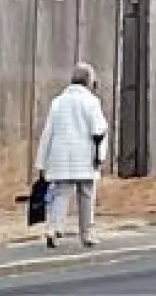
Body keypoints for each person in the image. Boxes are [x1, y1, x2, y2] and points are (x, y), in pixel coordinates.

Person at [35, 61, 109, 249]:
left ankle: (54, 229)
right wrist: (100, 156)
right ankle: (87, 234)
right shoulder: (92, 102)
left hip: (60, 157)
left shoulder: (58, 102)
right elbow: (99, 130)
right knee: (86, 195)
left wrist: (42, 162)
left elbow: (48, 133)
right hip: (84, 157)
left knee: (61, 194)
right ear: (89, 81)